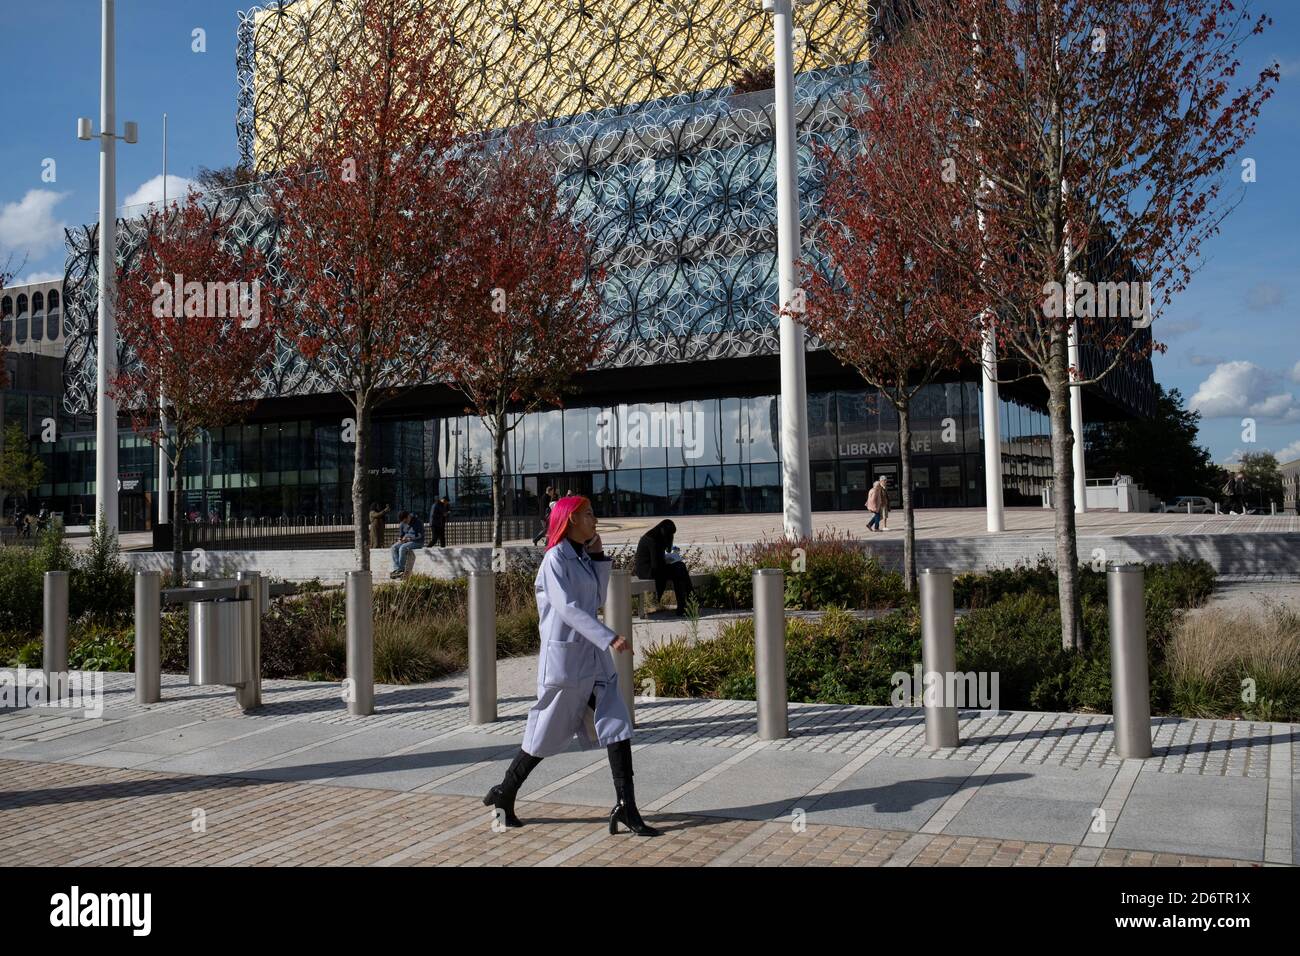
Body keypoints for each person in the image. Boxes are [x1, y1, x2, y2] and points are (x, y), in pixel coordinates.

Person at [483, 495, 660, 837]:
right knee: (543, 735)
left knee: (618, 726)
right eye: (589, 514)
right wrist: (608, 636)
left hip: (592, 662)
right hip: (566, 664)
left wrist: (597, 556)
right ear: (571, 520)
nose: (595, 519)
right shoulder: (554, 560)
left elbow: (595, 600)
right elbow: (568, 608)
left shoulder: (579, 557)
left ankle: (626, 806)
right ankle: (505, 791)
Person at [634, 519, 694, 617]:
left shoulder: (657, 536)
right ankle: (687, 601)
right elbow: (656, 564)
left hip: (654, 567)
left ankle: (684, 605)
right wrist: (668, 561)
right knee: (679, 569)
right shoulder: (652, 539)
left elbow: (664, 554)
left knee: (680, 568)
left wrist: (668, 553)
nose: (670, 536)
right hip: (647, 571)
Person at [389, 510, 425, 578]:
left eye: (406, 521)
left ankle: (402, 569)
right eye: (403, 522)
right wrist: (400, 539)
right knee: (394, 547)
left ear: (408, 516)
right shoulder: (402, 523)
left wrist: (410, 539)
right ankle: (397, 568)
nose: (405, 523)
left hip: (417, 542)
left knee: (402, 548)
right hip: (406, 541)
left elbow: (420, 535)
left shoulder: (418, 522)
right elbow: (401, 534)